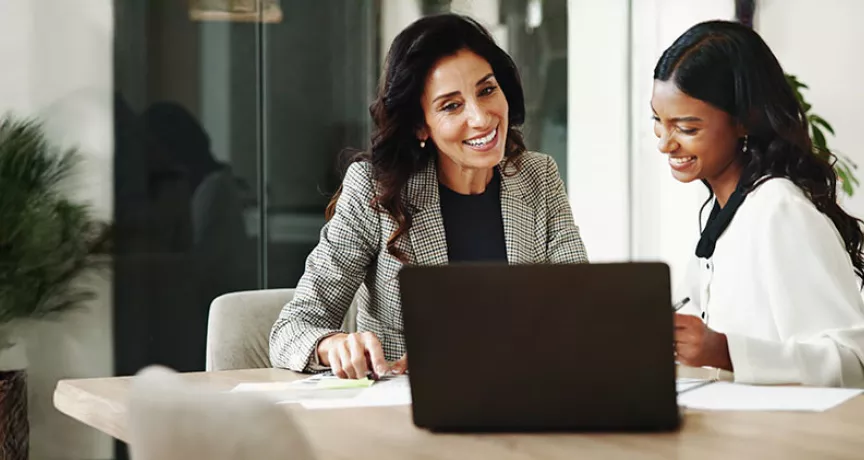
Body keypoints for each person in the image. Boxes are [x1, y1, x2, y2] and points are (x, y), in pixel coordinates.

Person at [269, 14, 588, 379]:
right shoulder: (375, 191)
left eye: (486, 90)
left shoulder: (538, 177)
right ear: (421, 125)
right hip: (406, 419)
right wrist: (334, 345)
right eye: (451, 106)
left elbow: (578, 313)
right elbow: (293, 327)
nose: (482, 119)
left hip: (518, 405)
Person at [652, 20, 864, 387]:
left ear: (743, 123)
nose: (665, 143)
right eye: (659, 122)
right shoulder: (729, 212)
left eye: (686, 128)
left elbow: (854, 363)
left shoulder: (779, 209)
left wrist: (725, 350)